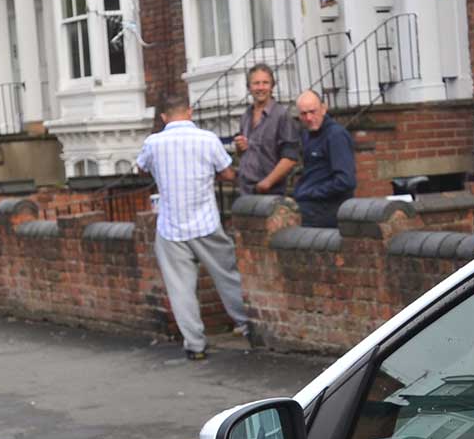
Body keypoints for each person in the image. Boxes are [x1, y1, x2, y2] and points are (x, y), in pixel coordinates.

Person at [135, 91, 255, 361]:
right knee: (227, 276)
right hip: (206, 222)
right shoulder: (207, 139)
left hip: (171, 227)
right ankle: (248, 327)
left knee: (181, 289)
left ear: (164, 117)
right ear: (189, 112)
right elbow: (226, 172)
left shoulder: (153, 143)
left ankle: (196, 345)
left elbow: (141, 168)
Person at [291, 90, 356, 228]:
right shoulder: (308, 134)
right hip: (311, 210)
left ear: (323, 109)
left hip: (328, 214)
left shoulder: (335, 136)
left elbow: (346, 181)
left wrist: (312, 192)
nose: (309, 118)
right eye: (303, 113)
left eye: (312, 111)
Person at [233, 64, 298, 196]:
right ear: (249, 87)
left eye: (265, 83)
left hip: (271, 193)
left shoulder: (281, 115)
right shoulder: (246, 115)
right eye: (256, 83)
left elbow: (290, 157)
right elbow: (245, 154)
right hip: (246, 191)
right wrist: (240, 148)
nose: (261, 87)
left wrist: (266, 183)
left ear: (272, 86)